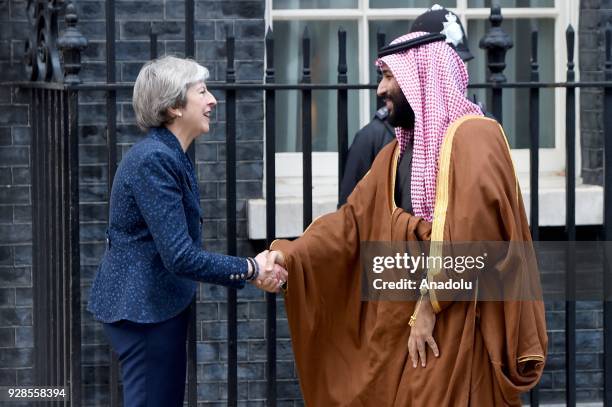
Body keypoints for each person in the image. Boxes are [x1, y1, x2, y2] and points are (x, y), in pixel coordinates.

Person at [267, 31, 547, 406]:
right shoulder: (396, 154)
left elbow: (476, 238)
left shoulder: (476, 138)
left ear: (421, 77)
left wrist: (428, 308)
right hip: (406, 322)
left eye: (389, 77)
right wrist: (290, 255)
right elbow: (350, 223)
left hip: (459, 322)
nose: (381, 89)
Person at [87, 56, 287, 407]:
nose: (212, 100)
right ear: (175, 106)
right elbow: (179, 256)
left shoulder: (169, 154)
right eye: (202, 91)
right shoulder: (155, 160)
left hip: (152, 307)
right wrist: (252, 268)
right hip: (143, 311)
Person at [339, 4, 475, 205]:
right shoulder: (377, 139)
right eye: (441, 65)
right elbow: (353, 218)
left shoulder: (478, 133)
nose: (450, 73)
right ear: (418, 71)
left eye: (457, 63)